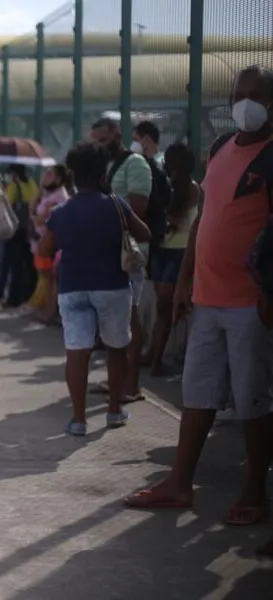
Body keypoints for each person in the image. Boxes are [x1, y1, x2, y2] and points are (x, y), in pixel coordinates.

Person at [125, 65, 273, 526]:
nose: (244, 102)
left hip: (252, 301)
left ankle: (253, 492)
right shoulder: (222, 147)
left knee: (253, 399)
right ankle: (178, 483)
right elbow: (204, 223)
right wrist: (187, 281)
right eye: (239, 93)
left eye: (256, 94)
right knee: (199, 391)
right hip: (209, 296)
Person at [39, 141, 151, 436]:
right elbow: (145, 233)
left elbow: (44, 248)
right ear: (104, 174)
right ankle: (114, 411)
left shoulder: (61, 212)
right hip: (113, 287)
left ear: (73, 175)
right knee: (116, 348)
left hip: (73, 288)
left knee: (77, 352)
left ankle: (78, 419)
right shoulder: (116, 205)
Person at [90, 117, 153, 402]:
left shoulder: (135, 164)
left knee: (131, 315)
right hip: (108, 248)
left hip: (129, 249)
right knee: (115, 317)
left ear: (116, 135)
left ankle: (132, 385)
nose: (100, 146)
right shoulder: (108, 165)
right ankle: (118, 379)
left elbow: (138, 207)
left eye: (103, 140)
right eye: (96, 142)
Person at [142, 143, 199, 376]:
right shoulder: (166, 186)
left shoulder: (192, 189)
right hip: (162, 249)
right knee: (162, 307)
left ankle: (157, 357)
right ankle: (154, 354)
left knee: (166, 304)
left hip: (180, 251)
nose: (170, 167)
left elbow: (174, 219)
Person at [29, 165, 72, 324]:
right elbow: (33, 210)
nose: (45, 176)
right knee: (47, 277)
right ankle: (48, 310)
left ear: (59, 179)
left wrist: (36, 216)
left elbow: (40, 219)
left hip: (53, 244)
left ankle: (50, 313)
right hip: (43, 242)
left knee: (51, 279)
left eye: (49, 174)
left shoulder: (60, 197)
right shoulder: (48, 194)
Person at [0, 164, 39, 307]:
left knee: (14, 263)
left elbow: (7, 204)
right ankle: (27, 295)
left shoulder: (14, 186)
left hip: (15, 229)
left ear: (14, 172)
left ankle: (13, 298)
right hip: (29, 228)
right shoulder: (32, 184)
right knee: (28, 263)